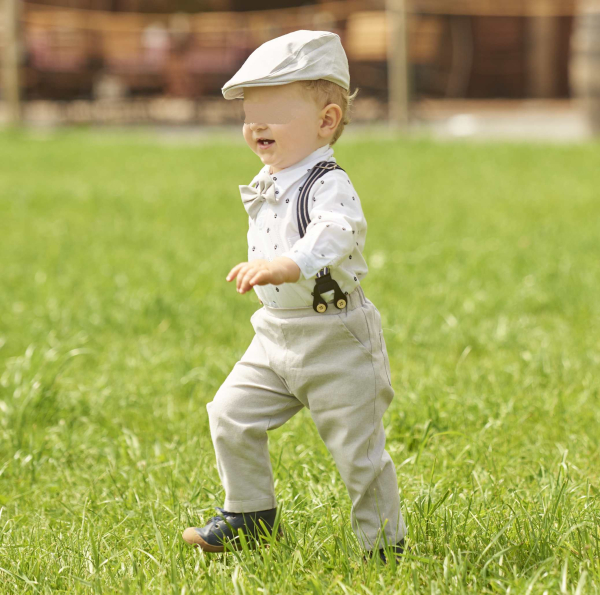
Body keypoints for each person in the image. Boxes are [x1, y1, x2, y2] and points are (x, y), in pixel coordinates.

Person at [182, 30, 406, 563]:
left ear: (326, 120)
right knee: (230, 412)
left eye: (274, 113)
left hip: (336, 338)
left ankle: (383, 547)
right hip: (275, 336)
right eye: (248, 115)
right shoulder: (270, 177)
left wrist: (289, 263)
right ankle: (250, 515)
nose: (255, 125)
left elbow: (338, 230)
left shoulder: (326, 182)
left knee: (358, 453)